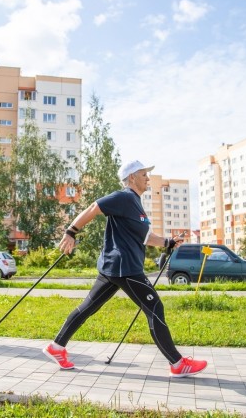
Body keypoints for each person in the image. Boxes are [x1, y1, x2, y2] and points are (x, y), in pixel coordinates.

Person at [43, 160, 208, 378]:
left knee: (88, 307)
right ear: (132, 177)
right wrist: (71, 231)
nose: (147, 179)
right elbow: (94, 207)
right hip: (125, 267)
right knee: (155, 308)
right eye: (144, 175)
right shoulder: (123, 197)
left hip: (114, 267)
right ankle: (177, 363)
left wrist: (167, 242)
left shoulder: (136, 204)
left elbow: (146, 236)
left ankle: (56, 347)